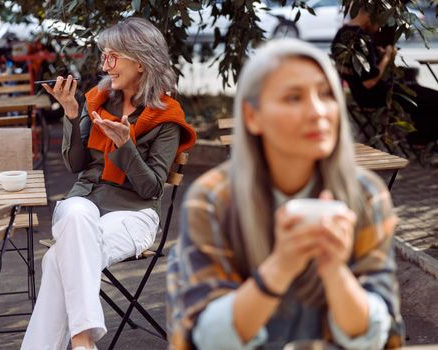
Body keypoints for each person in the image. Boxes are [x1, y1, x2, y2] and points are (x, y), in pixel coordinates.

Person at [167, 38, 404, 350]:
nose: (318, 111)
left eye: (326, 94)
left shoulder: (365, 194)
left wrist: (335, 271)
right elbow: (207, 340)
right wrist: (281, 266)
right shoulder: (214, 198)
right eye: (293, 97)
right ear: (252, 116)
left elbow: (378, 337)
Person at [21, 17, 196, 350]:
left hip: (134, 215)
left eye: (113, 56)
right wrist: (72, 113)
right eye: (105, 56)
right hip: (83, 205)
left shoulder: (166, 116)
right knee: (75, 214)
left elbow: (152, 189)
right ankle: (83, 341)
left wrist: (125, 147)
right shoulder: (97, 101)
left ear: (141, 62)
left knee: (57, 260)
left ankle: (73, 342)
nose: (105, 64)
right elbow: (76, 166)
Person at [331, 6, 438, 144]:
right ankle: (420, 140)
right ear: (372, 16)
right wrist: (387, 56)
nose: (381, 26)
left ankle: (419, 139)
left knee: (421, 94)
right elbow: (369, 82)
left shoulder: (341, 34)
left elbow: (357, 68)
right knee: (434, 99)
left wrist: (378, 57)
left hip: (359, 93)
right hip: (374, 95)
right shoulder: (363, 38)